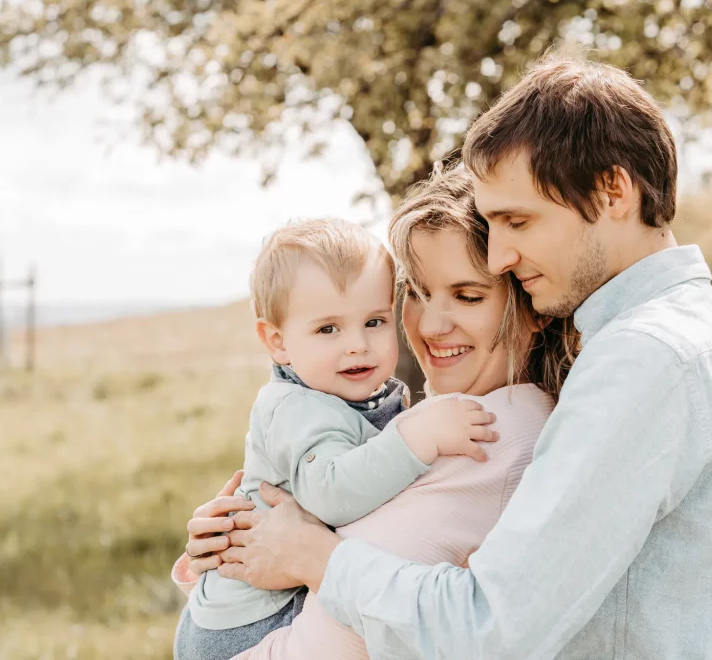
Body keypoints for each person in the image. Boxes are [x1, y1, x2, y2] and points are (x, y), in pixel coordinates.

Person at [196, 51, 712, 660]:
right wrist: (244, 538)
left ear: (612, 190)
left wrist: (310, 555)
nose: (501, 256)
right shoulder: (704, 335)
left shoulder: (642, 361)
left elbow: (489, 628)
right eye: (415, 292)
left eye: (520, 221)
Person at [174, 218, 501, 660]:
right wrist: (417, 437)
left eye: (374, 321)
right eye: (328, 329)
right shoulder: (299, 408)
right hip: (247, 625)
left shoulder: (343, 394)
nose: (358, 345)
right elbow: (331, 493)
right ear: (278, 342)